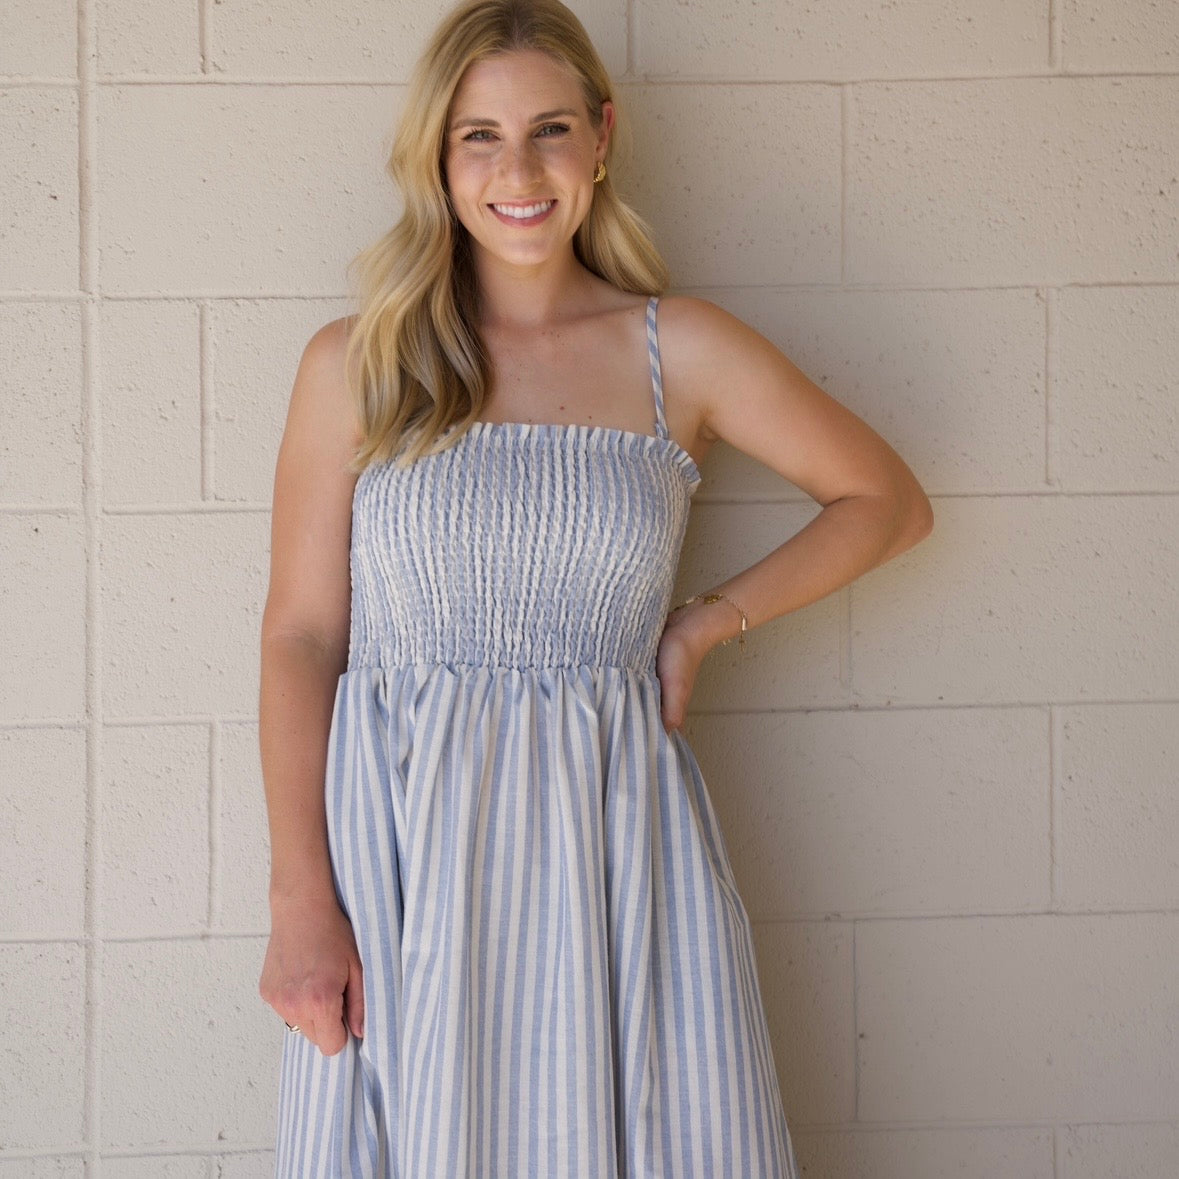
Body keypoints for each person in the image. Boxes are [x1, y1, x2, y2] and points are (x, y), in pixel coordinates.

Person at [257, 0, 933, 1174]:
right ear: (437, 154)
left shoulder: (681, 352)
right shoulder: (357, 364)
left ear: (603, 137)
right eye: (478, 135)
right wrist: (301, 905)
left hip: (611, 849)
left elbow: (886, 500)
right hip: (404, 857)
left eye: (550, 129)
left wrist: (709, 624)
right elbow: (304, 637)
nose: (518, 170)